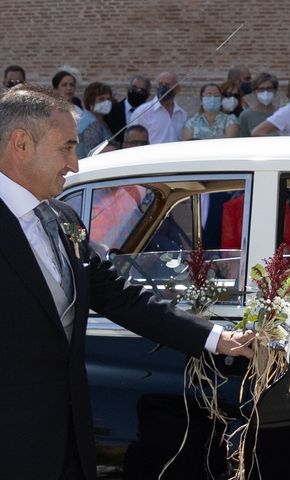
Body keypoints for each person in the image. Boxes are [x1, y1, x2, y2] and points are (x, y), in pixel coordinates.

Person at [0, 85, 254, 480]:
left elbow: (118, 296)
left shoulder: (64, 219)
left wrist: (213, 338)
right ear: (20, 144)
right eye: (67, 148)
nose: (75, 165)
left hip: (70, 439)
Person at [131, 71, 188, 144]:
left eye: (168, 84)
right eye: (160, 84)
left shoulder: (182, 115)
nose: (163, 87)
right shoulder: (142, 112)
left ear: (177, 88)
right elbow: (133, 141)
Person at [104, 75, 151, 144]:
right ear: (128, 88)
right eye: (134, 88)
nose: (136, 92)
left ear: (147, 94)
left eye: (141, 90)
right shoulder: (112, 111)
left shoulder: (150, 112)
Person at [76, 82, 115, 158]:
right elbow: (92, 152)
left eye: (108, 99)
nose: (106, 102)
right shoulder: (91, 124)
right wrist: (114, 149)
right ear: (90, 101)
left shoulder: (100, 121)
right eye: (101, 99)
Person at [237, 72, 279, 137]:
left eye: (269, 88)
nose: (266, 92)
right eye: (261, 89)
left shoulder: (282, 113)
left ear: (275, 91)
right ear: (254, 92)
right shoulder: (245, 116)